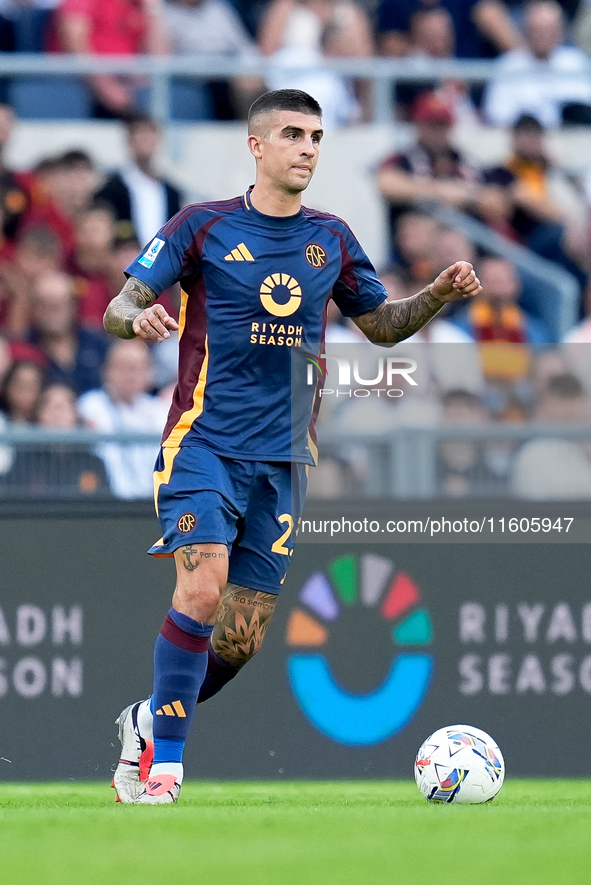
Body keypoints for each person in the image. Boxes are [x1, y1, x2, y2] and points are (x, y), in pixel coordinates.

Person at [102, 88, 481, 804]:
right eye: (292, 134)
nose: (307, 147)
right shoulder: (201, 226)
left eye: (315, 135)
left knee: (239, 638)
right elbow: (118, 305)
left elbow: (381, 325)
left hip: (283, 460)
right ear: (256, 145)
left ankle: (147, 718)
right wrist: (139, 319)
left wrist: (433, 294)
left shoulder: (331, 237)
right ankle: (166, 771)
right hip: (203, 445)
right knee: (202, 587)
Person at [77, 338, 168, 499]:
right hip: (104, 501)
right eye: (123, 367)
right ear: (106, 370)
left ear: (150, 373)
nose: (130, 375)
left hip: (151, 506)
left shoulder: (161, 411)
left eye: (137, 368)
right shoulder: (89, 406)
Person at [484, 0, 591, 128]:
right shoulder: (509, 65)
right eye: (537, 30)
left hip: (572, 139)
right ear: (526, 30)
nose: (543, 36)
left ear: (560, 31)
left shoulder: (577, 62)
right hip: (524, 139)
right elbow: (498, 115)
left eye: (548, 30)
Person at [94, 114, 183, 245]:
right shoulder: (111, 189)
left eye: (150, 135)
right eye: (140, 135)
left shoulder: (171, 192)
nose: (145, 140)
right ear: (130, 141)